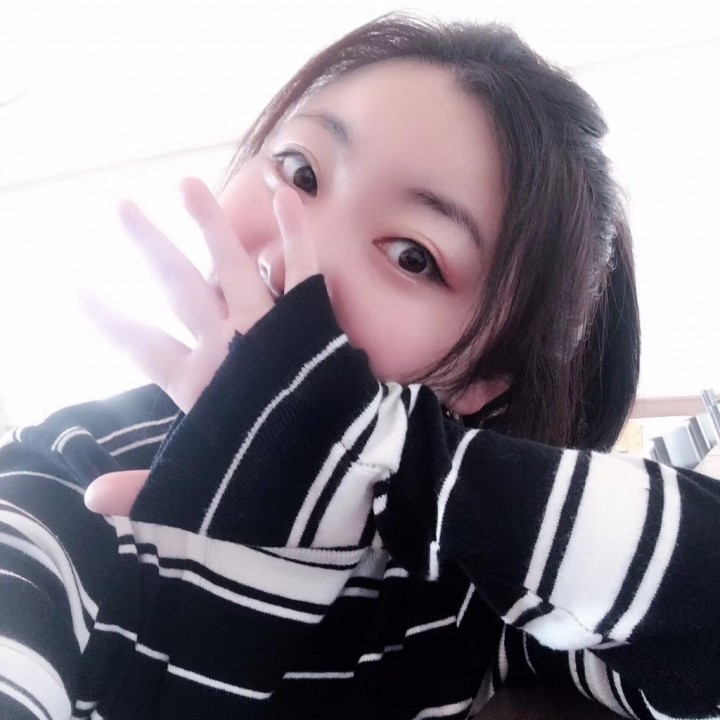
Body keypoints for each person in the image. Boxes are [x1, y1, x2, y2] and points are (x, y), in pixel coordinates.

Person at [1, 12, 717, 720]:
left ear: (480, 383)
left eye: (413, 256)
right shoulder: (70, 478)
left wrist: (390, 457)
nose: (294, 256)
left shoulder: (464, 587)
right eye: (300, 171)